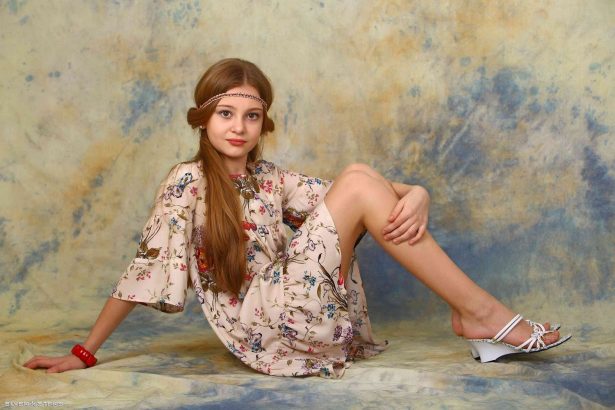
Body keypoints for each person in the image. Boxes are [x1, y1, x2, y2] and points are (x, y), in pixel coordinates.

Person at [22, 58, 570, 378]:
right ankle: (481, 315)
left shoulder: (268, 178)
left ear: (263, 123)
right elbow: (141, 271)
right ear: (203, 119)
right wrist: (85, 353)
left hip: (299, 308)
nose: (238, 127)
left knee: (357, 175)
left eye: (251, 115)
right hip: (265, 324)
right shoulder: (187, 181)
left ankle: (478, 315)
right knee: (358, 176)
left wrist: (418, 191)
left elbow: (359, 196)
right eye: (225, 113)